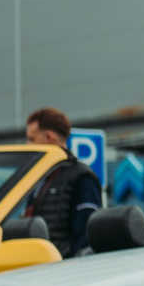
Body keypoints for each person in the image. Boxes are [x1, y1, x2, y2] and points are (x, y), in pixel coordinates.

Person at [18, 106, 102, 255]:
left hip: (63, 266)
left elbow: (87, 234)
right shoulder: (40, 178)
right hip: (39, 262)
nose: (27, 145)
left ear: (49, 137)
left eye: (31, 139)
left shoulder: (81, 177)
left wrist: (70, 263)